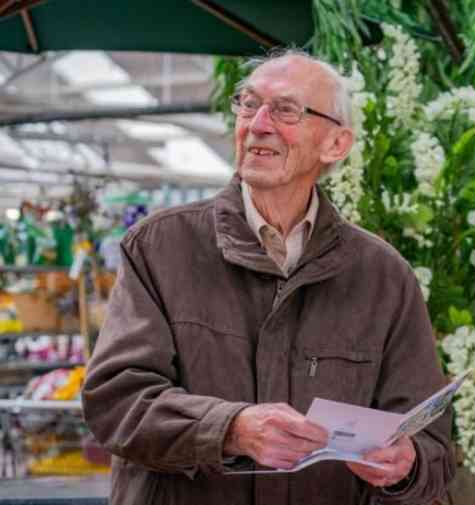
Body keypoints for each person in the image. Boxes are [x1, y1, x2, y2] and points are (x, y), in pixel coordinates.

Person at [82, 50, 455, 505]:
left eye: (285, 110)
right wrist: (231, 429)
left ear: (336, 144)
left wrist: (406, 463)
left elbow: (434, 446)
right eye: (247, 103)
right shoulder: (160, 247)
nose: (257, 123)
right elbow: (116, 400)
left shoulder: (383, 276)